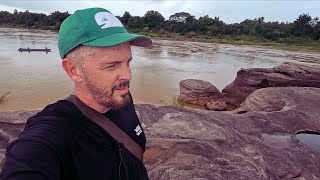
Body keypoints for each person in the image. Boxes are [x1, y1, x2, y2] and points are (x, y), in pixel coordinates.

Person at [0, 7, 152, 180]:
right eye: (112, 65)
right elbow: (27, 162)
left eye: (128, 62)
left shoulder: (121, 96)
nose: (127, 75)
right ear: (73, 70)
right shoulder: (55, 131)